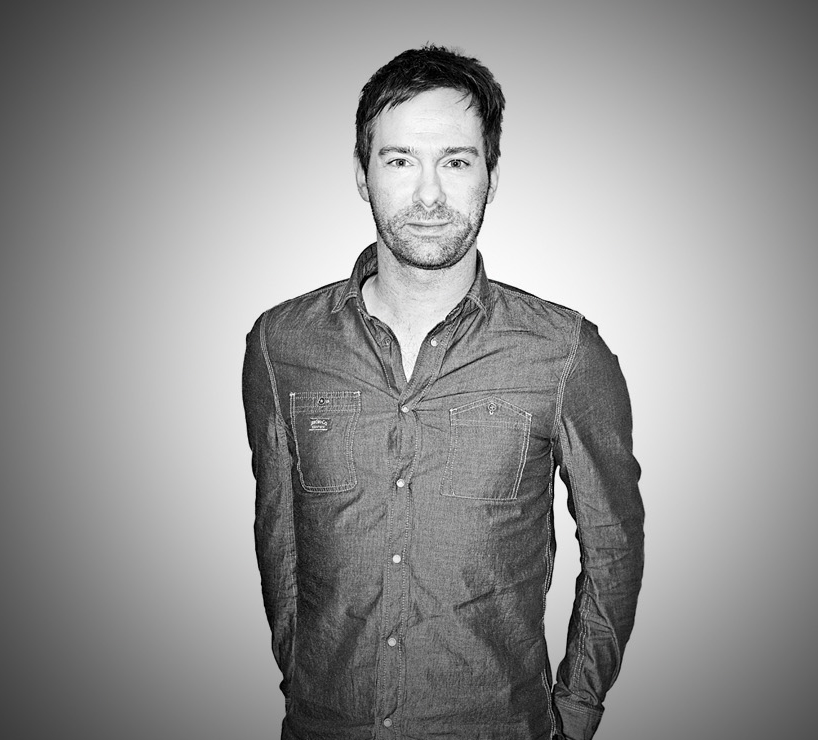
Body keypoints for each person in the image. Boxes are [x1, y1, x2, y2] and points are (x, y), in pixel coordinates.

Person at [242, 44, 644, 740]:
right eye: (400, 161)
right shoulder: (282, 346)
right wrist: (310, 686)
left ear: (491, 176)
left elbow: (614, 545)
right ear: (363, 175)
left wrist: (575, 712)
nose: (429, 195)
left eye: (456, 162)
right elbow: (279, 541)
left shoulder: (565, 353)